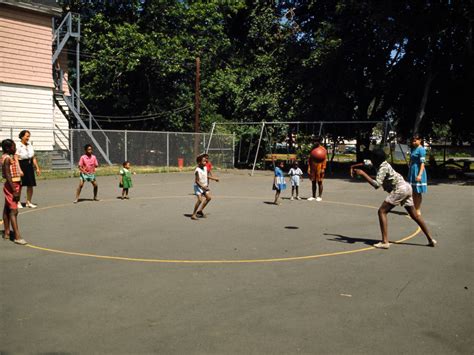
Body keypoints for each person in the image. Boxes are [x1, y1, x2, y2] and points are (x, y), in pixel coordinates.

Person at [350, 148, 437, 249]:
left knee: (382, 211)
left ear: (376, 159)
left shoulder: (383, 168)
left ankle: (385, 242)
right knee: (415, 216)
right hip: (407, 187)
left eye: (372, 157)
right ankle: (431, 239)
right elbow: (368, 163)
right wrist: (355, 166)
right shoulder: (381, 163)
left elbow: (377, 184)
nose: (371, 160)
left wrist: (363, 174)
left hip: (399, 189)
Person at [1, 139, 27, 245]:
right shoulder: (7, 159)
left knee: (7, 208)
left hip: (14, 184)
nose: (15, 148)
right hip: (12, 186)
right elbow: (7, 175)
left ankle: (7, 232)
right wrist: (14, 191)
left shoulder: (8, 157)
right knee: (14, 211)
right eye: (13, 147)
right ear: (7, 148)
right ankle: (17, 236)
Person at [16, 130, 41, 208]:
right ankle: (17, 202)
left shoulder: (30, 145)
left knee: (30, 184)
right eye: (27, 136)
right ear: (22, 136)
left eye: (29, 136)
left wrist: (37, 168)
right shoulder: (18, 145)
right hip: (21, 164)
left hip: (29, 165)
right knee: (20, 185)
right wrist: (19, 169)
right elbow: (16, 158)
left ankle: (28, 202)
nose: (28, 138)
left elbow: (33, 157)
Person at [191, 155, 218, 220]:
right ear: (199, 162)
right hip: (198, 187)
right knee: (200, 200)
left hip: (204, 186)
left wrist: (213, 178)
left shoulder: (205, 168)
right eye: (204, 161)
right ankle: (193, 214)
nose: (205, 162)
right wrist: (203, 187)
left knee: (208, 198)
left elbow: (206, 176)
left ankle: (200, 211)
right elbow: (197, 181)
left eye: (206, 161)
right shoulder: (197, 170)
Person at [408, 134, 427, 216]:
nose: (414, 142)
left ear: (420, 140)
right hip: (412, 171)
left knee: (418, 192)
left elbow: (422, 163)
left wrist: (419, 175)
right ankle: (413, 209)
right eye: (412, 140)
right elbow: (411, 160)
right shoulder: (413, 149)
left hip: (418, 171)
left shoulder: (421, 149)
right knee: (412, 192)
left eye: (415, 140)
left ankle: (418, 209)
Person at [307, 137, 327, 201]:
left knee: (319, 182)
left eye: (316, 141)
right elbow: (310, 159)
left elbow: (324, 160)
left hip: (319, 167)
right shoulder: (313, 149)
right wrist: (309, 167)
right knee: (313, 182)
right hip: (313, 167)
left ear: (319, 142)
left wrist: (323, 168)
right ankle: (313, 196)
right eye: (314, 141)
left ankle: (320, 196)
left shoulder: (323, 149)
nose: (315, 142)